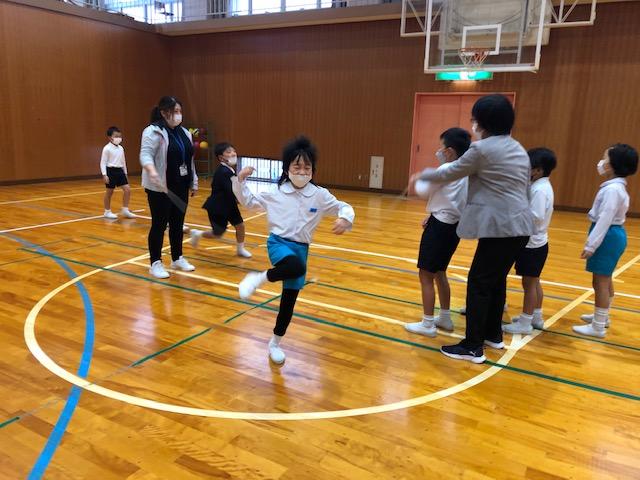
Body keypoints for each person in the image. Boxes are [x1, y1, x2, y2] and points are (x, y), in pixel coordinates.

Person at [416, 94, 534, 363]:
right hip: (519, 226)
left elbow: (451, 171)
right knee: (495, 281)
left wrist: (423, 175)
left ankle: (472, 346)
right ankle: (493, 335)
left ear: (483, 121)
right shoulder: (516, 147)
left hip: (501, 227)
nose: (473, 124)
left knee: (479, 283)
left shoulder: (482, 149)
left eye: (475, 119)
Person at [232, 136, 355, 365]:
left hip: (301, 249)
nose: (302, 171)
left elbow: (343, 206)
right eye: (297, 166)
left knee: (288, 303)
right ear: (287, 168)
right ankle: (257, 278)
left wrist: (345, 218)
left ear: (313, 170)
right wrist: (240, 180)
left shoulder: (319, 195)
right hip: (278, 243)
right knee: (295, 267)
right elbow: (248, 202)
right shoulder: (276, 192)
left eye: (307, 167)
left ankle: (274, 343)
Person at [404, 128, 470, 338]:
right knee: (440, 272)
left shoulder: (447, 169)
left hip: (439, 227)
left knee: (425, 275)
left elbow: (424, 192)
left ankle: (428, 324)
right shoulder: (466, 170)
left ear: (449, 151)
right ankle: (445, 317)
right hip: (453, 227)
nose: (439, 151)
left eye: (442, 147)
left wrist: (419, 178)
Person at [573, 144, 638, 338]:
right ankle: (603, 316)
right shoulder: (615, 187)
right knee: (605, 278)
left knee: (600, 281)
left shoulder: (612, 190)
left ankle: (598, 326)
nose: (601, 162)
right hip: (612, 234)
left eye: (605, 158)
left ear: (612, 165)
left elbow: (605, 219)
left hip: (608, 235)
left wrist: (591, 245)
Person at [140, 96, 198, 279]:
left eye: (180, 111)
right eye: (175, 111)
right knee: (159, 224)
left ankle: (177, 258)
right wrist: (151, 170)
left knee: (178, 224)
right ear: (164, 113)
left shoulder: (185, 133)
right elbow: (145, 155)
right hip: (160, 187)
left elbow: (189, 160)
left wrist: (193, 181)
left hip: (181, 185)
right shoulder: (152, 131)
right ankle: (155, 263)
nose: (178, 115)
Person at [503, 148, 556, 334]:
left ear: (538, 170)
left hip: (532, 243)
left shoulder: (540, 190)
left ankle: (525, 322)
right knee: (534, 281)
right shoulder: (540, 186)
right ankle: (536, 317)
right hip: (536, 242)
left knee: (529, 283)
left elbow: (535, 216)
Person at [190, 142, 252, 257]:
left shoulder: (229, 170)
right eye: (228, 152)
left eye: (234, 151)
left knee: (240, 226)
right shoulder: (223, 172)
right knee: (218, 234)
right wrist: (242, 178)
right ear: (221, 157)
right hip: (218, 208)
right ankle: (197, 233)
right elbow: (232, 189)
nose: (233, 153)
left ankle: (240, 249)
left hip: (229, 205)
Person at [100, 126, 136, 219]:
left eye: (119, 136)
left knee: (127, 190)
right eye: (116, 136)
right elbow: (103, 162)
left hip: (120, 171)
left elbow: (123, 162)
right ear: (110, 137)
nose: (118, 138)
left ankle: (125, 209)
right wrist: (104, 175)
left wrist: (125, 173)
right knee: (109, 192)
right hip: (110, 171)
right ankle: (107, 211)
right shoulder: (107, 148)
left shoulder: (121, 148)